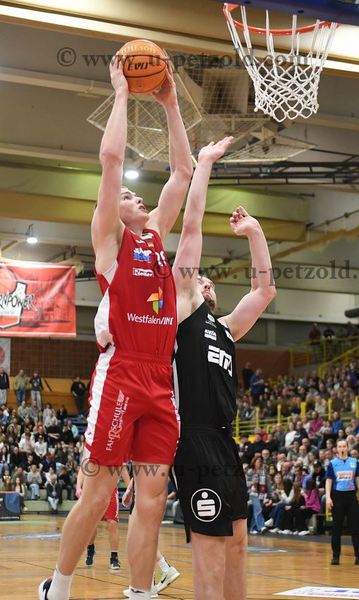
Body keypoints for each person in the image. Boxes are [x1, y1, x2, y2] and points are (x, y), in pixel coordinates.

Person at [38, 55, 192, 600]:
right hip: (122, 372)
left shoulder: (157, 237)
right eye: (127, 195)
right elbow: (110, 160)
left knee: (152, 500)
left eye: (136, 194)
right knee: (98, 489)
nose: (135, 196)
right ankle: (58, 587)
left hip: (160, 378)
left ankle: (141, 592)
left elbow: (182, 174)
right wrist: (122, 93)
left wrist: (171, 104)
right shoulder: (110, 242)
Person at [172, 137, 276, 600]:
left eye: (211, 279)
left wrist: (255, 232)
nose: (206, 280)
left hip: (225, 443)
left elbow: (264, 292)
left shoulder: (225, 328)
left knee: (237, 545)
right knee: (211, 554)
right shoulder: (185, 313)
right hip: (193, 440)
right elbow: (191, 226)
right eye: (201, 277)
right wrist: (206, 163)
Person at [122, 476, 181, 598]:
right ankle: (161, 573)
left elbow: (145, 468)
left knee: (138, 538)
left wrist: (130, 488)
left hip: (146, 491)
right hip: (148, 490)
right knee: (142, 537)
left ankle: (148, 584)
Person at [76, 464, 131, 571]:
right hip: (93, 491)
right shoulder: (92, 454)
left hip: (110, 490)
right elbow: (83, 468)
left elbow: (123, 468)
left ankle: (114, 558)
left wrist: (129, 489)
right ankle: (90, 548)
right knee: (92, 524)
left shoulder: (117, 454)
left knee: (112, 522)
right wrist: (78, 487)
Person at [325, 439, 359, 566]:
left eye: (344, 446)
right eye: (340, 446)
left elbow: (358, 479)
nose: (342, 448)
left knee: (355, 527)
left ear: (347, 448)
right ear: (337, 449)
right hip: (337, 496)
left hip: (351, 496)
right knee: (336, 528)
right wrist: (328, 497)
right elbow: (329, 481)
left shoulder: (354, 462)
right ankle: (335, 556)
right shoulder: (332, 463)